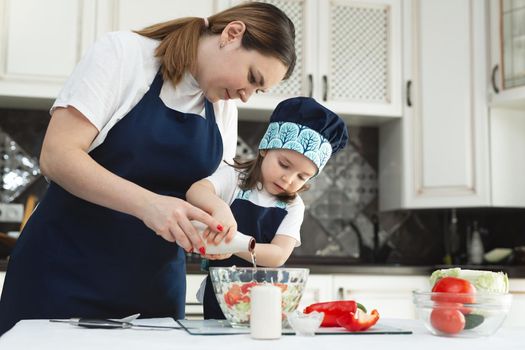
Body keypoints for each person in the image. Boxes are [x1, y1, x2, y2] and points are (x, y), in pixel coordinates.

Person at [0, 2, 296, 335]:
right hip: (63, 274)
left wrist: (216, 213)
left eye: (258, 90)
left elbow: (209, 186)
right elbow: (57, 156)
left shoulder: (223, 106)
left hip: (154, 292)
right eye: (252, 78)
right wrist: (149, 205)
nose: (245, 96)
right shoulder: (124, 55)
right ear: (232, 33)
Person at [186, 97, 348, 320]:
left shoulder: (293, 205)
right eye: (284, 164)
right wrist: (220, 208)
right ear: (265, 149)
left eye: (302, 176)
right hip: (220, 293)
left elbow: (278, 254)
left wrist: (232, 244)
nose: (288, 179)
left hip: (265, 298)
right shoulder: (235, 179)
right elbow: (196, 191)